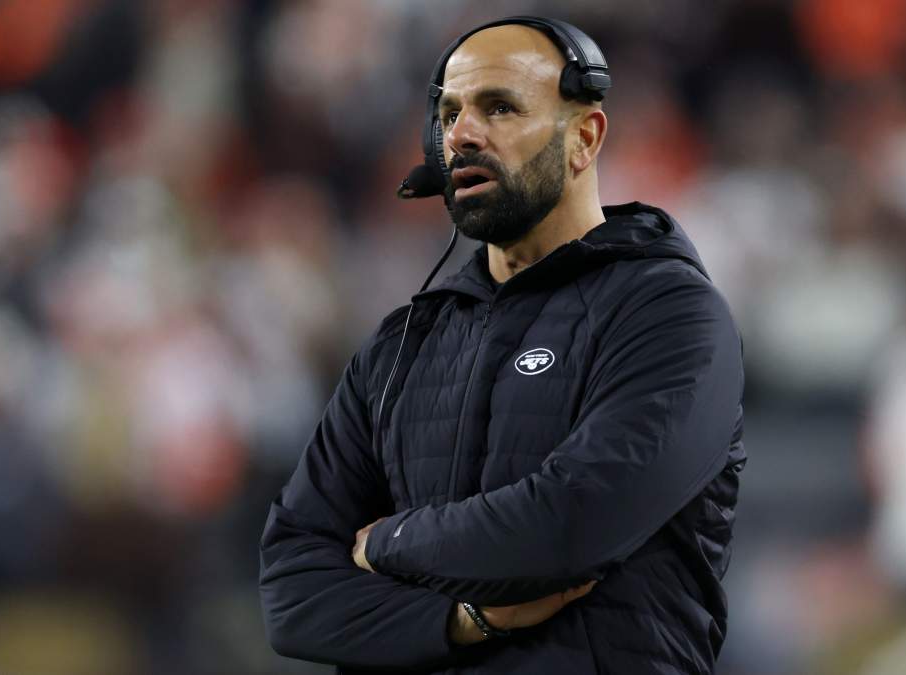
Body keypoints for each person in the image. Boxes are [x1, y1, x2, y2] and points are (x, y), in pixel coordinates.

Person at [259, 16, 745, 675]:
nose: (461, 135)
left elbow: (572, 524)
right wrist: (463, 621)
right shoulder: (400, 346)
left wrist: (386, 541)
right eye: (448, 114)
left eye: (499, 107)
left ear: (584, 137)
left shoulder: (668, 313)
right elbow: (289, 591)